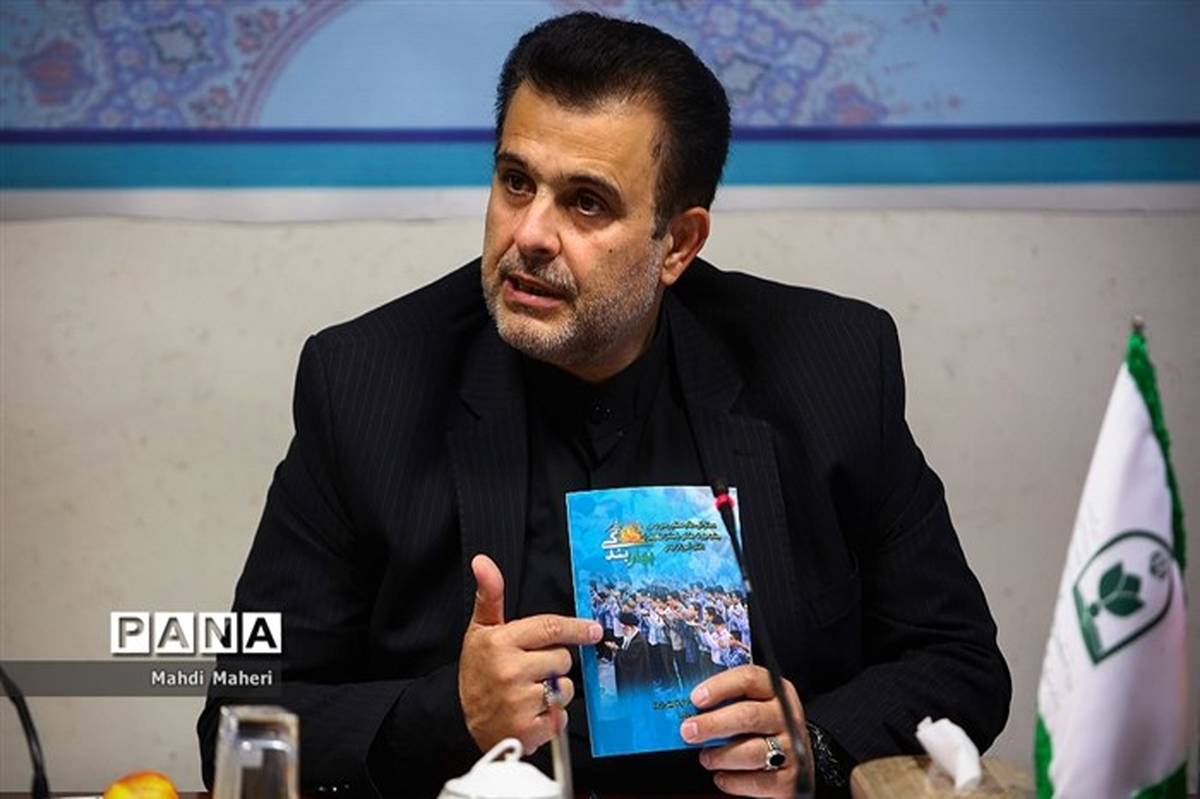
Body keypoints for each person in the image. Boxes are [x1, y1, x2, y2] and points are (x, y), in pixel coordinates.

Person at [197, 11, 1010, 798]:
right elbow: (238, 714)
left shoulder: (829, 368)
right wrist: (447, 714)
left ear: (678, 243)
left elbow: (960, 660)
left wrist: (816, 745)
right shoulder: (364, 381)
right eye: (516, 182)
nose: (530, 234)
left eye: (586, 202)